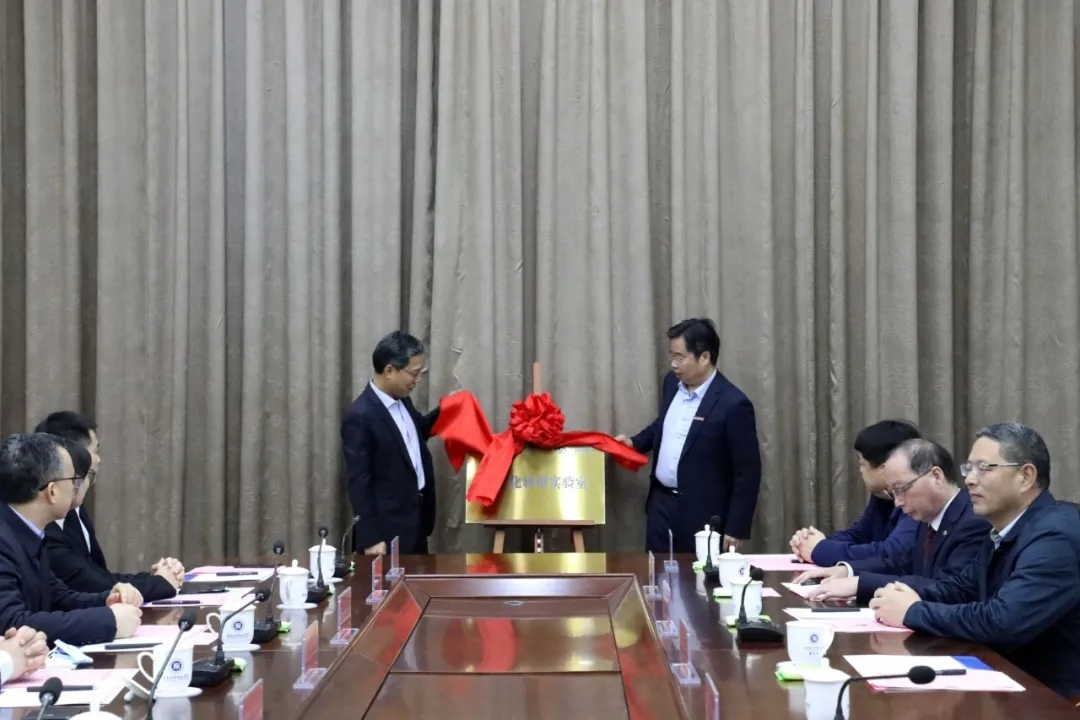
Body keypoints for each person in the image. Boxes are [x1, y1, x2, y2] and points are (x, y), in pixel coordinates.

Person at [870, 423, 1080, 700]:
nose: (969, 480)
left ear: (1026, 476)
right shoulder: (1005, 530)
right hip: (1009, 684)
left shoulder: (1054, 537)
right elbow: (959, 588)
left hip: (1055, 700)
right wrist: (899, 595)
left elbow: (1003, 622)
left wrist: (913, 612)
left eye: (983, 468)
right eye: (968, 468)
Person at [615, 318, 761, 553]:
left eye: (680, 357)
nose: (673, 364)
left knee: (697, 575)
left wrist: (737, 527)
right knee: (656, 571)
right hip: (661, 506)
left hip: (702, 515)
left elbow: (748, 472)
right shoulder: (671, 384)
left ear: (704, 357)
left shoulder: (733, 404)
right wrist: (634, 443)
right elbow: (664, 424)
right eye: (671, 356)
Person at [793, 438, 988, 604]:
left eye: (901, 489)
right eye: (893, 493)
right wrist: (847, 571)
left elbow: (950, 589)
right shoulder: (929, 516)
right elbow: (902, 563)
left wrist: (860, 584)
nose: (897, 502)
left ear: (936, 476)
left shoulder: (974, 521)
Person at [0, 434, 142, 645]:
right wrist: (108, 621)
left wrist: (106, 599)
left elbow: (58, 597)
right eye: (73, 480)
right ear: (52, 491)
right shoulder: (4, 539)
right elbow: (12, 623)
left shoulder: (26, 531)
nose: (77, 487)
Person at [34, 412, 183, 602]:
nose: (98, 460)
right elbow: (89, 586)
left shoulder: (73, 511)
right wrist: (160, 583)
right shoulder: (44, 524)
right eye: (95, 451)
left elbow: (97, 575)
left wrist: (156, 579)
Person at [341, 331, 442, 555]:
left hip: (416, 522)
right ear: (389, 371)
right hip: (386, 534)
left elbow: (417, 433)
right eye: (413, 374)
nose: (417, 380)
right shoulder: (359, 416)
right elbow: (359, 483)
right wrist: (370, 539)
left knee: (419, 578)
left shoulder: (403, 401)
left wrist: (448, 409)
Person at [790, 419, 921, 565]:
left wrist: (820, 549)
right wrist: (810, 542)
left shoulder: (918, 499)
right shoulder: (882, 495)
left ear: (885, 467)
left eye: (862, 464)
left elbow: (891, 553)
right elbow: (860, 535)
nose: (860, 471)